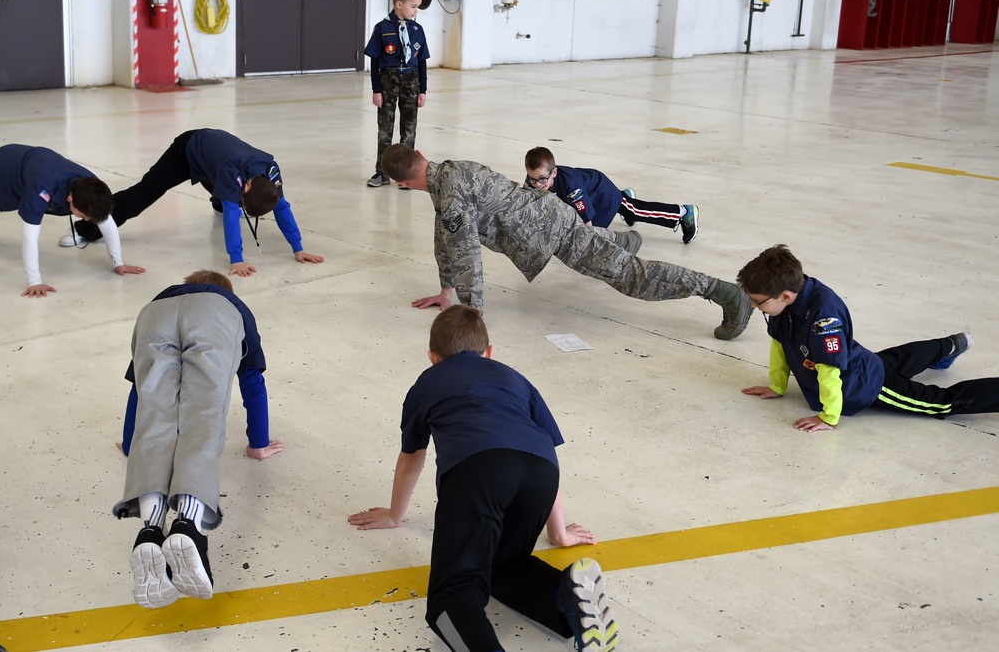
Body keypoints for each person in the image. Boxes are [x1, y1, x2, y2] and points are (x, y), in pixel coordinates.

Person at [348, 305, 618, 652]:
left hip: (478, 472)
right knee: (502, 566)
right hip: (542, 474)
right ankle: (567, 597)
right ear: (490, 353)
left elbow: (412, 459)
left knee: (451, 595)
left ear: (432, 357)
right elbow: (541, 450)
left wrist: (394, 514)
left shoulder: (427, 382)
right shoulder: (515, 379)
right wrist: (559, 533)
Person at [379, 143, 752, 340]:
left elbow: (467, 256)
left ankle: (724, 293)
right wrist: (446, 289)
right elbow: (445, 236)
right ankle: (619, 240)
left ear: (403, 183)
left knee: (632, 278)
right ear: (422, 155)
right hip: (549, 218)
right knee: (601, 250)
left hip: (552, 231)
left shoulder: (449, 196)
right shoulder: (448, 171)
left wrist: (472, 314)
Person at [112, 269, 285, 608]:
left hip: (154, 317)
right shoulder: (231, 307)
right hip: (212, 323)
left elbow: (141, 393)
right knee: (201, 419)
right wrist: (258, 444)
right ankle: (187, 526)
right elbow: (252, 384)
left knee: (155, 414)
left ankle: (149, 530)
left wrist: (131, 442)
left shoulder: (163, 298)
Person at [737, 244, 999, 431]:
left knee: (939, 403)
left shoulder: (823, 317)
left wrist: (829, 416)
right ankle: (948, 346)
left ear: (785, 295)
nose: (752, 306)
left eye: (757, 302)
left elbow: (829, 368)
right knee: (890, 361)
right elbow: (780, 343)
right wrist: (777, 386)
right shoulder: (782, 301)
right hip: (859, 359)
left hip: (860, 384)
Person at [59, 129, 324, 278]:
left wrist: (298, 248)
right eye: (241, 199)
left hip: (215, 162)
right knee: (144, 193)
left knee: (225, 197)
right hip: (188, 151)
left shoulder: (271, 175)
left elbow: (282, 207)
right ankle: (87, 228)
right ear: (245, 186)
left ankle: (219, 201)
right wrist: (237, 260)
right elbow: (233, 216)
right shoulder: (233, 173)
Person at [0, 143, 145, 297]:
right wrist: (34, 281)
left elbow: (108, 224)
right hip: (5, 169)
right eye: (82, 216)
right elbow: (29, 237)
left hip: (33, 161)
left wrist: (118, 263)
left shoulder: (92, 188)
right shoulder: (41, 188)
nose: (86, 220)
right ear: (70, 198)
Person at [524, 146, 700, 244]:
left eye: (542, 179)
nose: (537, 184)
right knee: (624, 205)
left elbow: (587, 223)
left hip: (601, 192)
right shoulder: (534, 178)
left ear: (554, 172)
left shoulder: (572, 188)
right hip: (590, 191)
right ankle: (623, 197)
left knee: (633, 211)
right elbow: (527, 197)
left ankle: (683, 213)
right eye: (533, 180)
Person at [364, 0, 430, 188]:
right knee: (385, 129)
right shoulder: (382, 28)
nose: (416, 11)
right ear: (399, 4)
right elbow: (374, 62)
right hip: (388, 80)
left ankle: (406, 175)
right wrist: (376, 90)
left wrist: (423, 90)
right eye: (414, 6)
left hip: (411, 80)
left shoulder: (417, 29)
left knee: (409, 129)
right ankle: (381, 173)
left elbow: (422, 62)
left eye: (418, 7)